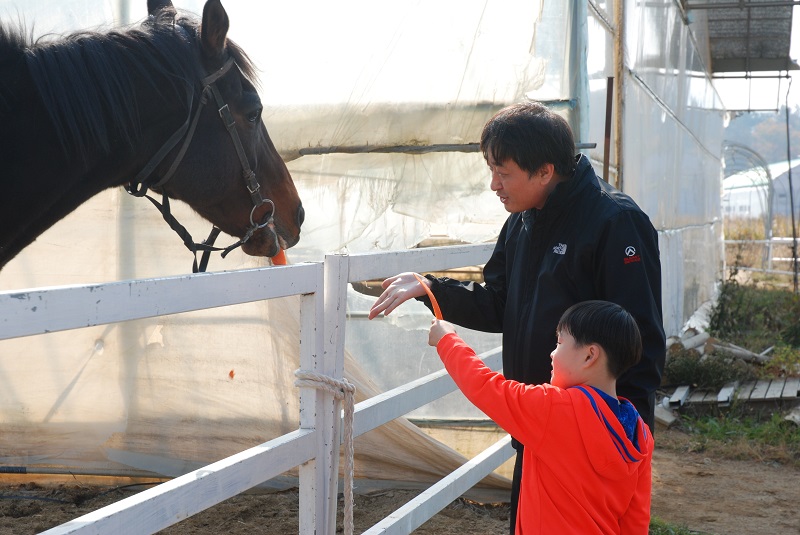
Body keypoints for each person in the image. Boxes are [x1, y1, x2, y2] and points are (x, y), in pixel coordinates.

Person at [368, 101, 665, 533]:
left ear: (544, 171)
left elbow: (641, 342)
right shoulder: (523, 222)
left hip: (591, 443)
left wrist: (620, 440)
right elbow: (499, 304)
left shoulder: (616, 223)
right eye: (492, 171)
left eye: (503, 173)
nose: (494, 185)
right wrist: (431, 287)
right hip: (542, 429)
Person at [427, 300, 654, 534]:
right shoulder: (640, 433)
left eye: (559, 342)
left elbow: (484, 386)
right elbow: (636, 520)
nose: (552, 353)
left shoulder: (553, 408)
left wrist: (447, 340)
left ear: (590, 356)